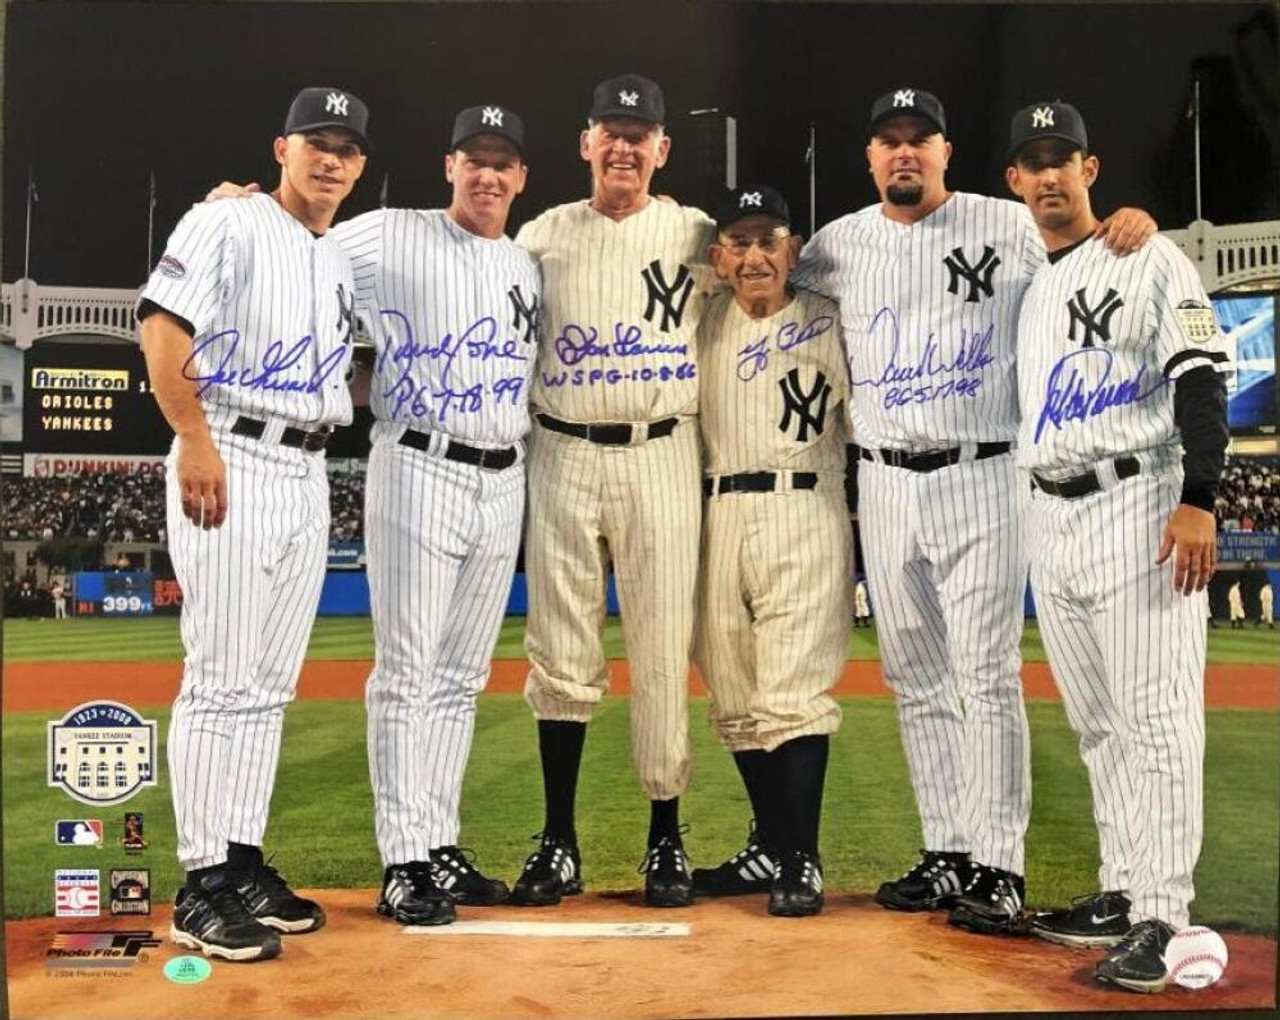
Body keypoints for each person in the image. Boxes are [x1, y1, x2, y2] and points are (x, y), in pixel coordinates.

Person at [792, 87, 1155, 935]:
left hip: (983, 470)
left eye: (921, 138)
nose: (905, 152)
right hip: (880, 480)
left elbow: (1088, 241)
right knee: (914, 676)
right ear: (871, 156)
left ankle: (999, 863)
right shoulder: (837, 245)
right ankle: (946, 848)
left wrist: (1129, 221)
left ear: (947, 152)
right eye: (890, 140)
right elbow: (757, 270)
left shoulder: (1008, 223)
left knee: (985, 675)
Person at [138, 86, 370, 962]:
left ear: (360, 165)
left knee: (269, 687)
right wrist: (192, 437)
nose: (331, 158)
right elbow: (162, 327)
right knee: (222, 676)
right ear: (282, 148)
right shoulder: (225, 224)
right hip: (230, 449)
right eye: (317, 141)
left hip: (307, 469)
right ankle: (200, 885)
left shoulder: (339, 257)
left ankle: (238, 859)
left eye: (347, 147)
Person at [1004, 100, 1229, 993]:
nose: (1049, 174)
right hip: (1052, 518)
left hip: (1139, 504)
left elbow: (1202, 374)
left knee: (1159, 720)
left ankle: (1164, 914)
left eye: (1064, 158)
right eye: (1033, 161)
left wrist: (1200, 499)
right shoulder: (1034, 281)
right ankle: (1120, 886)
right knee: (1099, 724)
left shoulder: (1148, 253)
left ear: (1091, 172)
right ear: (1015, 181)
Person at [512, 73, 717, 908]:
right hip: (561, 450)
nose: (626, 145)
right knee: (559, 649)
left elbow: (787, 265)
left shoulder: (700, 233)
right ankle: (557, 840)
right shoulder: (542, 234)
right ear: (586, 142)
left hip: (662, 450)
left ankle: (665, 840)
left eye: (642, 133)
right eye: (612, 130)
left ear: (662, 149)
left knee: (663, 648)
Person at [335, 105, 539, 925]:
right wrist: (238, 205)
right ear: (448, 166)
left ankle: (438, 843)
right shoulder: (388, 233)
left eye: (504, 162)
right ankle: (402, 860)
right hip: (420, 464)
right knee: (408, 673)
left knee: (460, 678)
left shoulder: (527, 265)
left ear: (522, 177)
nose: (488, 174)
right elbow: (297, 242)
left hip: (504, 477)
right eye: (474, 158)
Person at [686, 185, 850, 917]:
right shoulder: (701, 320)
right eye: (739, 242)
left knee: (793, 693)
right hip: (716, 509)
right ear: (719, 256)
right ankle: (771, 846)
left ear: (795, 248)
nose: (755, 256)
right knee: (733, 695)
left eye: (769, 239)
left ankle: (801, 859)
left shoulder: (832, 321)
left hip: (804, 503)